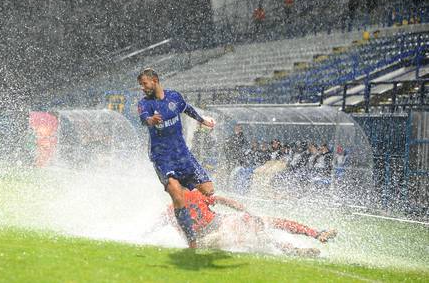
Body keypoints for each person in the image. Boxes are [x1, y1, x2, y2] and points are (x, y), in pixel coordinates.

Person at [137, 68, 215, 248]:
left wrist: (203, 121)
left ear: (155, 80)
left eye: (144, 83)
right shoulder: (145, 104)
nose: (142, 88)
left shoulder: (174, 97)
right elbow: (143, 119)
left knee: (208, 190)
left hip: (182, 154)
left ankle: (200, 218)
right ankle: (192, 241)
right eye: (141, 85)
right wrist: (151, 121)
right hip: (162, 157)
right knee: (177, 196)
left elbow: (187, 109)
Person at [164, 189, 337, 256]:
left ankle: (311, 237)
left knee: (260, 228)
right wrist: (247, 212)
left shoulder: (185, 200)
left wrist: (244, 210)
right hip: (212, 234)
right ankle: (300, 245)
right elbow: (227, 201)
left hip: (216, 230)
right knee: (256, 231)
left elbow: (222, 200)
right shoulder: (178, 205)